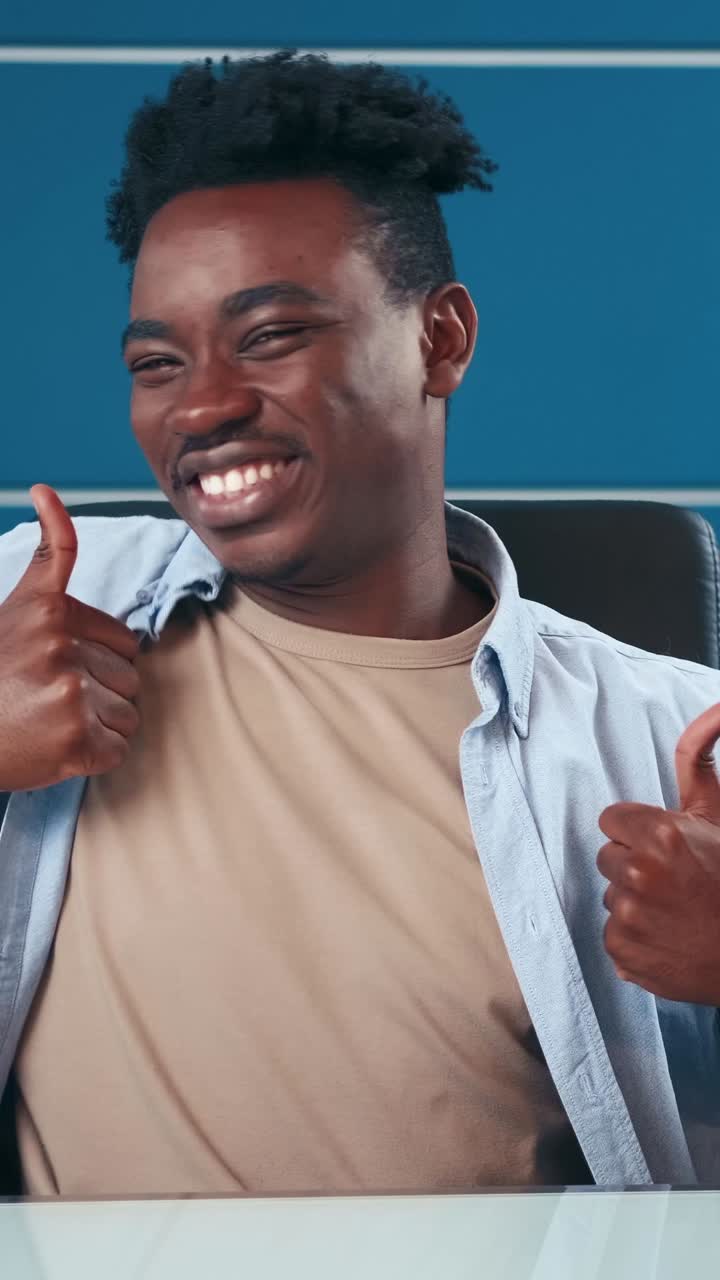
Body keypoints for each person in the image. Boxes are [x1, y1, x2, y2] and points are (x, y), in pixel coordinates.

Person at [0, 50, 718, 1198]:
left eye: (271, 334)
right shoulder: (31, 607)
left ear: (440, 339)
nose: (202, 404)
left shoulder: (672, 738)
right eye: (155, 361)